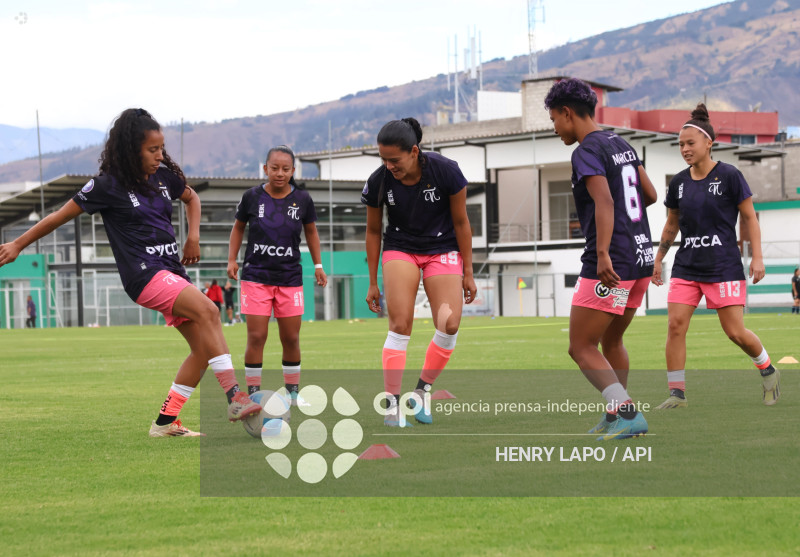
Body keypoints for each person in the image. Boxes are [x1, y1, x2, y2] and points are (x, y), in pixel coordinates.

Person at [0, 108, 262, 437]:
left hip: (173, 273)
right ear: (130, 149)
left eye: (161, 148)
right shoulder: (106, 186)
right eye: (152, 149)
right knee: (209, 310)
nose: (159, 155)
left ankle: (165, 424)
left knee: (202, 350)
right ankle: (234, 397)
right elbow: (57, 217)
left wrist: (193, 237)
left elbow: (192, 198)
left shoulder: (165, 178)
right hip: (144, 277)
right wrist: (18, 245)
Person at [545, 78, 657, 440]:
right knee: (611, 343)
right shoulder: (620, 143)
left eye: (554, 120)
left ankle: (627, 413)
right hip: (641, 258)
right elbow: (650, 194)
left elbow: (605, 201)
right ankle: (615, 415)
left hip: (610, 265)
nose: (555, 128)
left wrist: (605, 253)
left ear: (567, 113)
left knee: (580, 346)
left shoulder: (585, 151)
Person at [652, 103, 780, 407]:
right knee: (675, 325)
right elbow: (672, 223)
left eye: (690, 143)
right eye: (680, 144)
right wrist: (659, 258)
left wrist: (757, 257)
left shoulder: (730, 176)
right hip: (687, 266)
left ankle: (767, 368)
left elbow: (750, 217)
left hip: (723, 266)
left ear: (709, 143)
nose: (684, 149)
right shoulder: (679, 183)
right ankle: (677, 394)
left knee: (735, 332)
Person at [362, 117, 477, 426]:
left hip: (442, 248)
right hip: (400, 247)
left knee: (450, 324)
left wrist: (468, 271)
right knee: (400, 325)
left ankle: (422, 392)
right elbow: (373, 231)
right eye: (383, 159)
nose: (389, 165)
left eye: (394, 159)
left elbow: (462, 222)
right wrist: (372, 281)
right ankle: (392, 406)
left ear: (413, 151)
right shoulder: (379, 180)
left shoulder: (446, 171)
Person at [227, 145, 327, 404]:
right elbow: (238, 228)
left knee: (291, 337)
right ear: (265, 169)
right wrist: (232, 259)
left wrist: (318, 265)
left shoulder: (303, 199)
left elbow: (312, 233)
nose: (279, 173)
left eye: (285, 169)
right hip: (256, 277)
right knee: (257, 336)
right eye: (274, 168)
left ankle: (293, 393)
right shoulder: (251, 196)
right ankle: (253, 395)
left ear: (293, 170)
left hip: (290, 278)